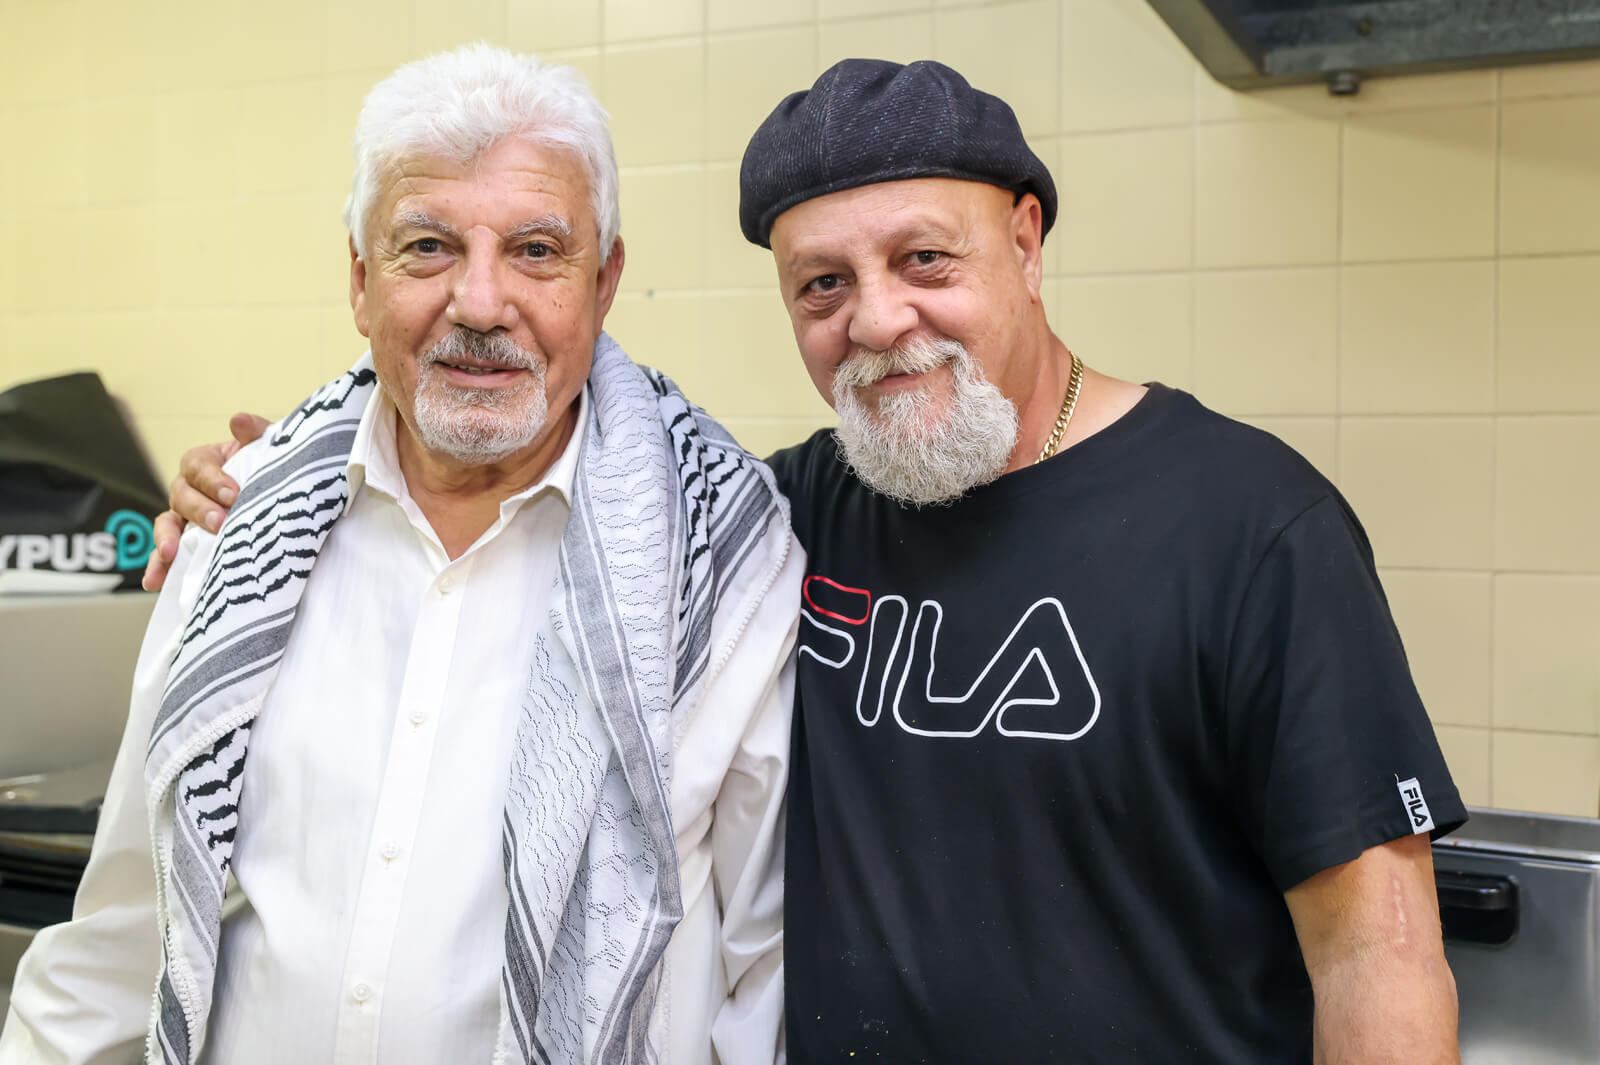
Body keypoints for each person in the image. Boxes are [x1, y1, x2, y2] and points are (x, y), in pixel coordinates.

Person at [146, 58, 1465, 1064]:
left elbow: (1377, 951)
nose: (879, 319)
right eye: (822, 284)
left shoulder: (1249, 525)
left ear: (1025, 240)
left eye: (924, 259)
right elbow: (516, 482)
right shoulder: (763, 524)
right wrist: (265, 498)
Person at [0, 45, 797, 1065]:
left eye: (537, 251)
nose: (480, 302)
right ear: (360, 281)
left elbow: (765, 980)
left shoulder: (727, 567)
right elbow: (121, 928)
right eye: (427, 246)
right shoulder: (244, 526)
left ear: (604, 283)